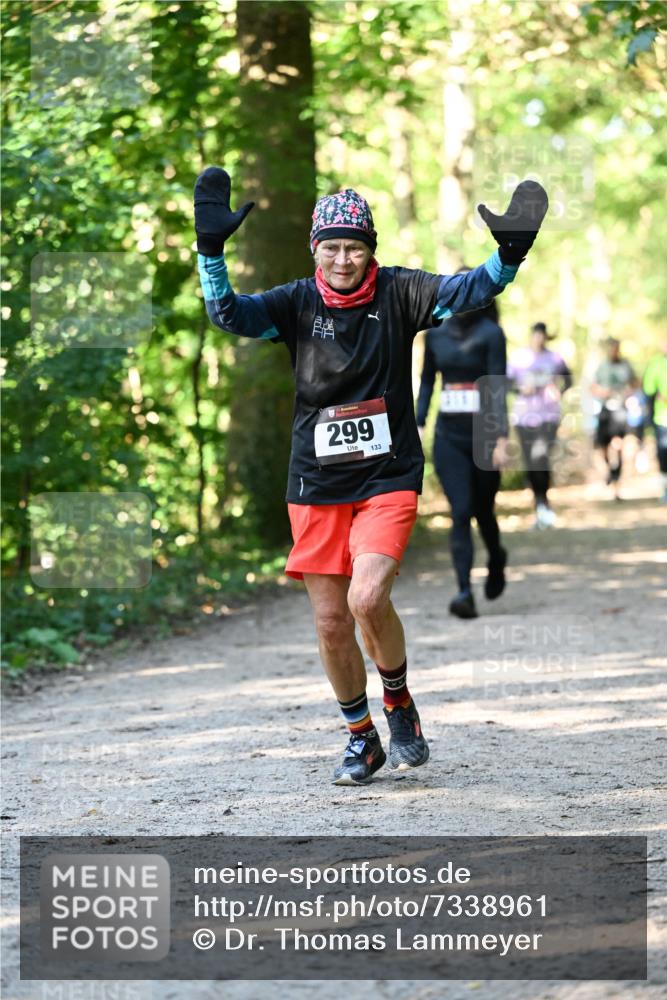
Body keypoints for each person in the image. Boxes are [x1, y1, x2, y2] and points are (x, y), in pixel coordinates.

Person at [194, 168, 548, 784]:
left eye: (353, 247)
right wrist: (210, 251)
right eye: (330, 247)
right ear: (315, 250)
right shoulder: (295, 303)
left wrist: (510, 253)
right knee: (332, 622)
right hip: (315, 484)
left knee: (366, 599)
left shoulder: (401, 292)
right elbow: (227, 314)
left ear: (370, 249)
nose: (342, 259)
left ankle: (398, 701)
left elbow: (470, 289)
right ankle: (361, 737)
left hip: (388, 475)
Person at [416, 289, 510, 620]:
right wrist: (419, 423)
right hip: (449, 437)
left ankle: (496, 557)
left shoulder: (491, 333)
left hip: (485, 436)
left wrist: (501, 438)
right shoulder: (435, 334)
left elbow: (497, 386)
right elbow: (427, 382)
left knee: (483, 510)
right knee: (460, 511)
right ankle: (464, 592)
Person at [507, 322, 572, 528]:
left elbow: (568, 379)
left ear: (546, 337)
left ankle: (544, 504)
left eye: (542, 335)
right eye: (536, 335)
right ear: (531, 336)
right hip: (523, 417)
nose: (539, 339)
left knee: (540, 457)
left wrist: (560, 391)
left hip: (548, 416)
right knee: (531, 461)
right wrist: (520, 389)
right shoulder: (518, 358)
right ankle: (539, 504)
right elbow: (506, 383)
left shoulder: (555, 358)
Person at [590, 337, 638, 499]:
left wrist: (629, 392)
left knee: (618, 444)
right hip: (605, 410)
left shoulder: (626, 365)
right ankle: (610, 472)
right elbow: (593, 387)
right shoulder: (602, 366)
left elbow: (636, 382)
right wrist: (602, 392)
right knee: (602, 445)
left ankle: (616, 480)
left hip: (620, 410)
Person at [643, 342, 667, 501]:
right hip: (662, 417)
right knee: (663, 452)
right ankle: (665, 487)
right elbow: (649, 389)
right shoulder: (656, 364)